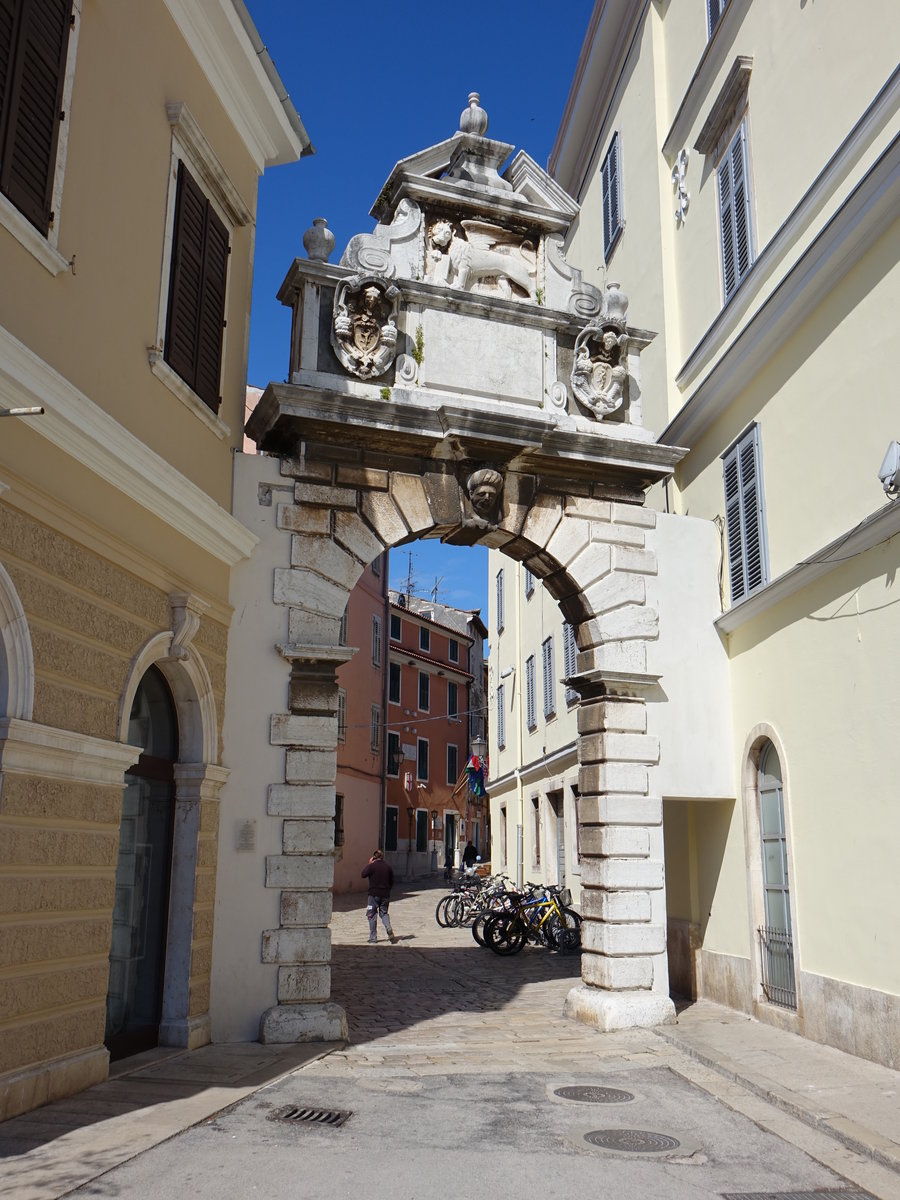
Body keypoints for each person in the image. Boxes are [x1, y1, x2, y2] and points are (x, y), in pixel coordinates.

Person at [361, 849, 397, 944]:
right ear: (382, 857)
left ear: (374, 857)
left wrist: (369, 864)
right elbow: (392, 881)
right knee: (384, 913)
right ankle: (388, 928)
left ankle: (373, 937)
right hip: (385, 894)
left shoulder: (372, 866)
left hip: (373, 894)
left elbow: (363, 874)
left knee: (371, 914)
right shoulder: (388, 867)